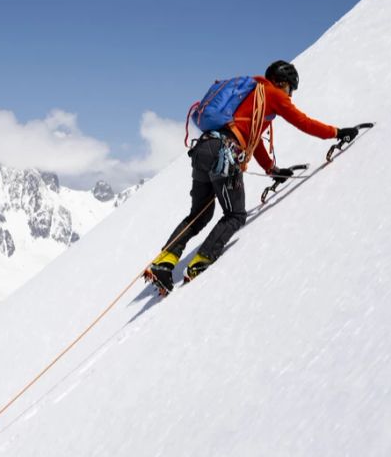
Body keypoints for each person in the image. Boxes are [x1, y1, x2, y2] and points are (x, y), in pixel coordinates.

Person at [146, 60, 361, 293]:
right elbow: (303, 122)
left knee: (200, 214)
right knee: (235, 214)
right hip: (224, 153)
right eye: (290, 89)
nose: (289, 95)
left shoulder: (252, 94)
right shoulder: (273, 94)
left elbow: (253, 139)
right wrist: (336, 133)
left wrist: (271, 169)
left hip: (204, 149)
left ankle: (164, 262)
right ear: (283, 83)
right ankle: (200, 263)